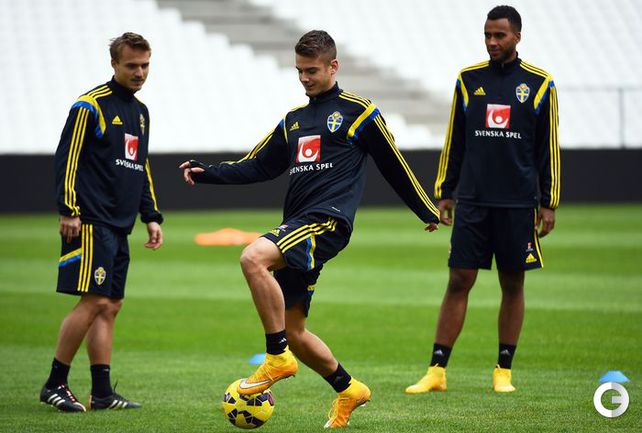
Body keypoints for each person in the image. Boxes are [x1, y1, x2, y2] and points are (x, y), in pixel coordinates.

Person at [181, 30, 439, 428]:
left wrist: (426, 209)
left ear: (333, 66)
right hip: (299, 224)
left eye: (312, 71)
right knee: (295, 330)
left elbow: (393, 163)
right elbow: (258, 165)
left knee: (252, 258)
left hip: (327, 221)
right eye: (299, 71)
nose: (304, 78)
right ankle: (349, 389)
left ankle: (275, 356)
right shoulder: (294, 121)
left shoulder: (360, 112)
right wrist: (208, 173)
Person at [406, 5, 560, 394]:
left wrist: (549, 201)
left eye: (499, 35)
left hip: (518, 203)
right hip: (473, 200)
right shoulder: (468, 80)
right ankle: (436, 371)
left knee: (513, 283)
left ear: (517, 37)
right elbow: (454, 139)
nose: (492, 42)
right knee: (459, 279)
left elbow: (548, 148)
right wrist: (445, 191)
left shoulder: (540, 84)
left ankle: (503, 371)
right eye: (488, 35)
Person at [40, 32, 163, 412]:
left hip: (119, 224)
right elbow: (67, 159)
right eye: (131, 65)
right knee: (93, 300)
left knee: (110, 306)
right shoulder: (89, 106)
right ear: (114, 64)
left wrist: (151, 215)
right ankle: (55, 383)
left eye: (145, 65)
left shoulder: (140, 113)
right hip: (91, 220)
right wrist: (68, 209)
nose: (139, 72)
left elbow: (140, 167)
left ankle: (103, 392)